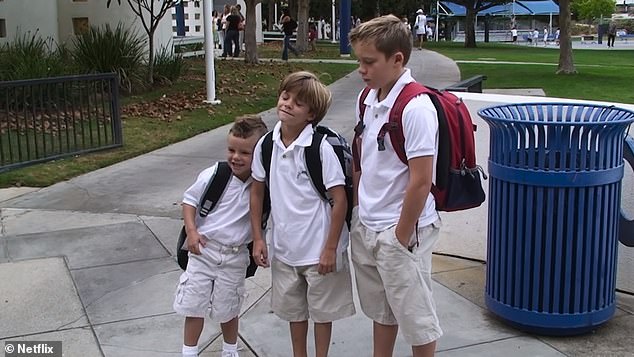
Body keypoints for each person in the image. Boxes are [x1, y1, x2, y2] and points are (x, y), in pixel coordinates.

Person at [349, 15, 443, 357]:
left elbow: (421, 181)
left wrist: (400, 237)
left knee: (417, 318)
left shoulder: (416, 108)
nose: (362, 69)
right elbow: (366, 156)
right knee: (382, 310)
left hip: (400, 230)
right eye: (360, 61)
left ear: (397, 59)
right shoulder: (369, 98)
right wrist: (361, 212)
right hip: (371, 223)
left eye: (369, 62)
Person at [250, 71, 356, 357]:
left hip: (320, 248)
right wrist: (258, 239)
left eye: (297, 103)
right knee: (294, 312)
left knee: (323, 313)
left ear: (311, 114)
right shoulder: (267, 144)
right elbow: (257, 192)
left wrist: (331, 248)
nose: (287, 104)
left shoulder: (320, 147)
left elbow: (339, 200)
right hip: (284, 249)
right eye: (285, 96)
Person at [173, 115, 268, 357]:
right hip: (204, 250)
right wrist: (192, 232)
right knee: (194, 305)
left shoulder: (262, 186)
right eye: (231, 149)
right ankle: (189, 352)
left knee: (229, 307)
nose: (236, 157)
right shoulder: (217, 174)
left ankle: (229, 350)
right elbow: (189, 201)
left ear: (259, 154)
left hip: (235, 256)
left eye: (244, 153)